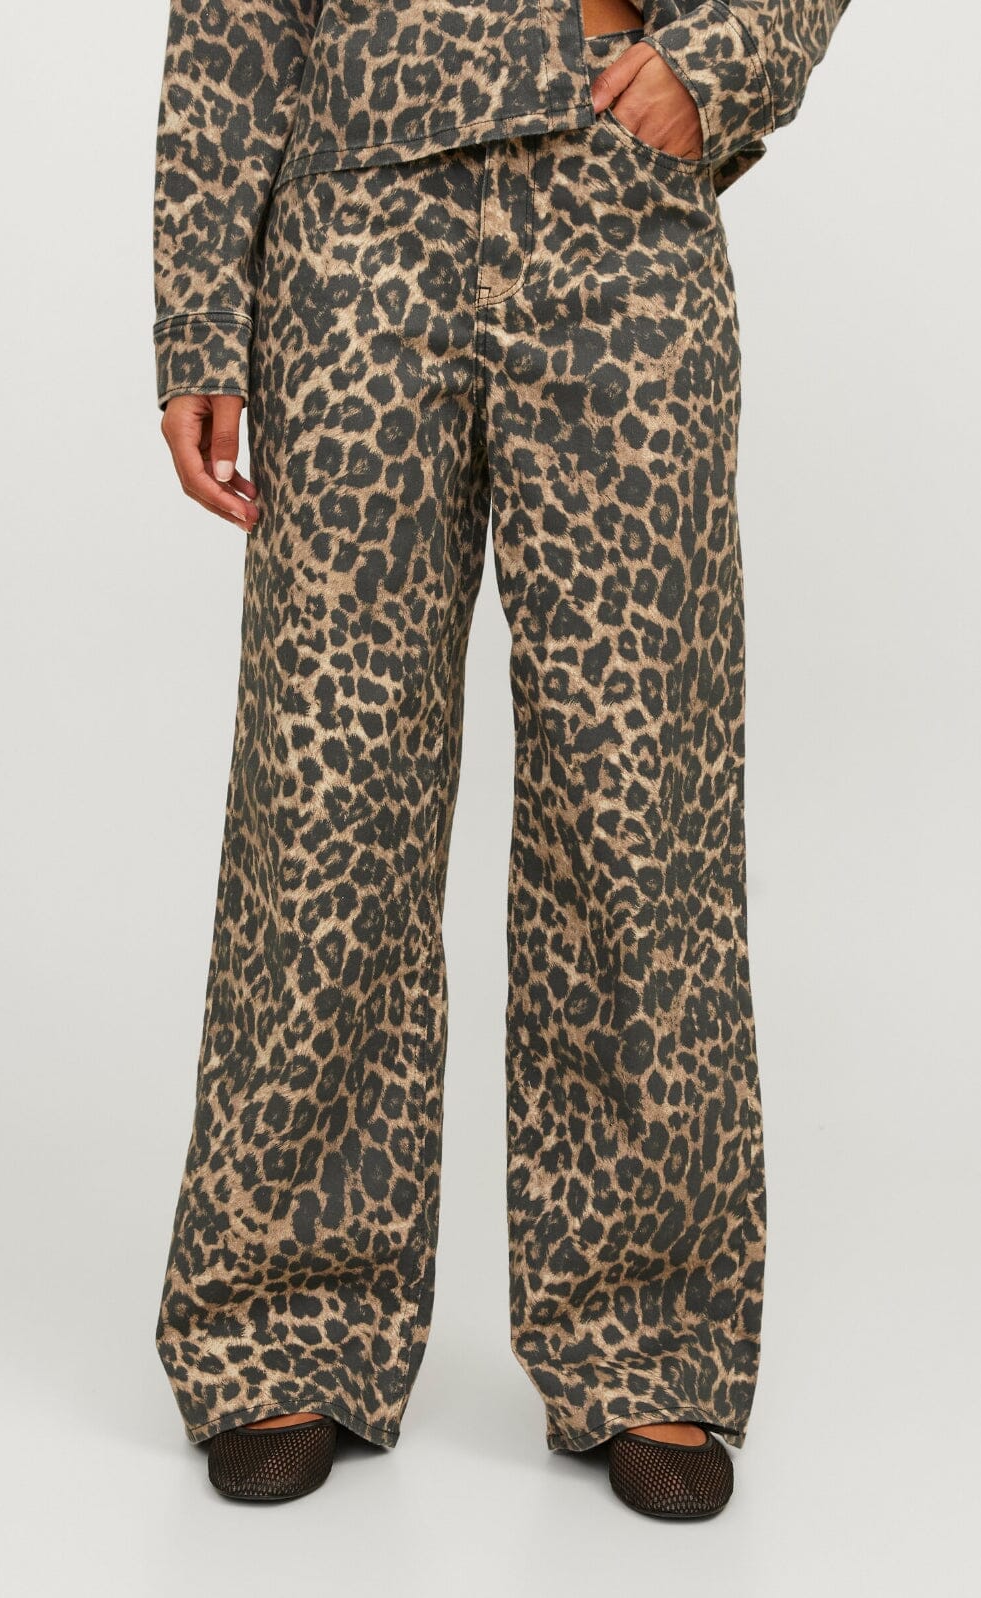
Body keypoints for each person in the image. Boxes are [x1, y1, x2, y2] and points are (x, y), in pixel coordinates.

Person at [152, 0, 852, 1519]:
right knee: (325, 799)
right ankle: (283, 1311)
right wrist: (199, 310)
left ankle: (646, 1328)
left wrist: (721, 61)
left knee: (641, 793)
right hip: (355, 225)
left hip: (618, 222)